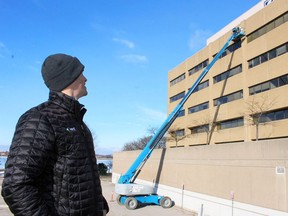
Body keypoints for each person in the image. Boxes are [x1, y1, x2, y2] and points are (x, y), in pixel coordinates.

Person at [1, 53, 109, 216]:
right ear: (70, 77)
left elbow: (77, 174)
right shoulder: (39, 119)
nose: (85, 79)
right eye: (81, 73)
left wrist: (99, 203)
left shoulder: (77, 122)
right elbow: (15, 185)